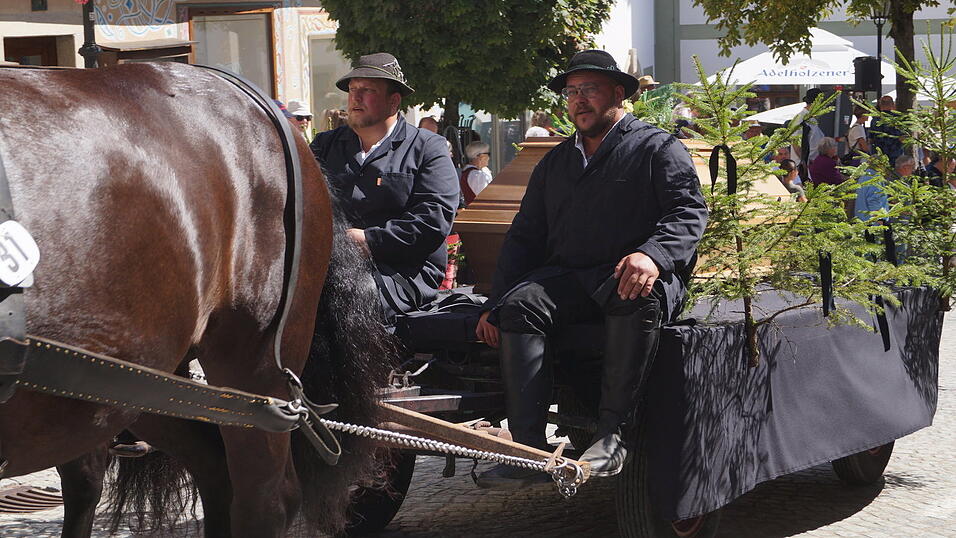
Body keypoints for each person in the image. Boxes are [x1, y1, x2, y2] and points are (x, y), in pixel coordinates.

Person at [473, 49, 707, 486]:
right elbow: (524, 238)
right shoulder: (555, 162)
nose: (579, 100)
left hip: (637, 279)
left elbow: (688, 213)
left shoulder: (656, 146)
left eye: (590, 90)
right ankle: (527, 449)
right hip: (573, 280)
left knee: (630, 289)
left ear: (617, 94)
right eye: (572, 92)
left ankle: (611, 436)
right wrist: (495, 303)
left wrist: (652, 254)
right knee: (521, 305)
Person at [309, 53, 459, 323]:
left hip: (402, 274)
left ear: (394, 101)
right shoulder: (324, 145)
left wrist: (369, 240)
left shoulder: (427, 148)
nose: (355, 97)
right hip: (329, 266)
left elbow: (433, 219)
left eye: (367, 90)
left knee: (342, 299)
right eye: (352, 89)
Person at [791, 89, 825, 169]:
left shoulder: (811, 118)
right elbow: (795, 142)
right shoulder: (801, 118)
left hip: (812, 164)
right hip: (803, 166)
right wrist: (805, 162)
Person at [869, 95, 904, 164]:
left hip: (879, 156)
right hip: (896, 155)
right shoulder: (898, 119)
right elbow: (903, 138)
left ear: (880, 105)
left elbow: (871, 139)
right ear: (892, 104)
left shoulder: (875, 120)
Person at [459, 141, 493, 206]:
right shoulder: (477, 175)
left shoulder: (468, 172)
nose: (489, 157)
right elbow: (486, 198)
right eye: (488, 154)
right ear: (481, 156)